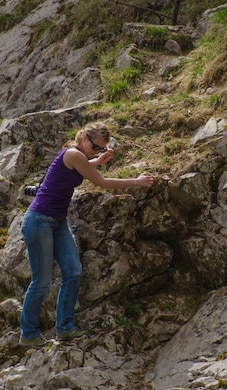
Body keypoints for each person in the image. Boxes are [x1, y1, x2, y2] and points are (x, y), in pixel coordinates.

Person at [19, 121, 154, 347]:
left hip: (58, 222)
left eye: (101, 149)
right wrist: (138, 182)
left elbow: (82, 168)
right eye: (96, 147)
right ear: (83, 138)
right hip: (39, 220)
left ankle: (64, 328)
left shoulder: (77, 157)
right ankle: (29, 334)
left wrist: (97, 161)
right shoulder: (73, 153)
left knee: (73, 271)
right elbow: (101, 182)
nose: (97, 151)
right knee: (41, 282)